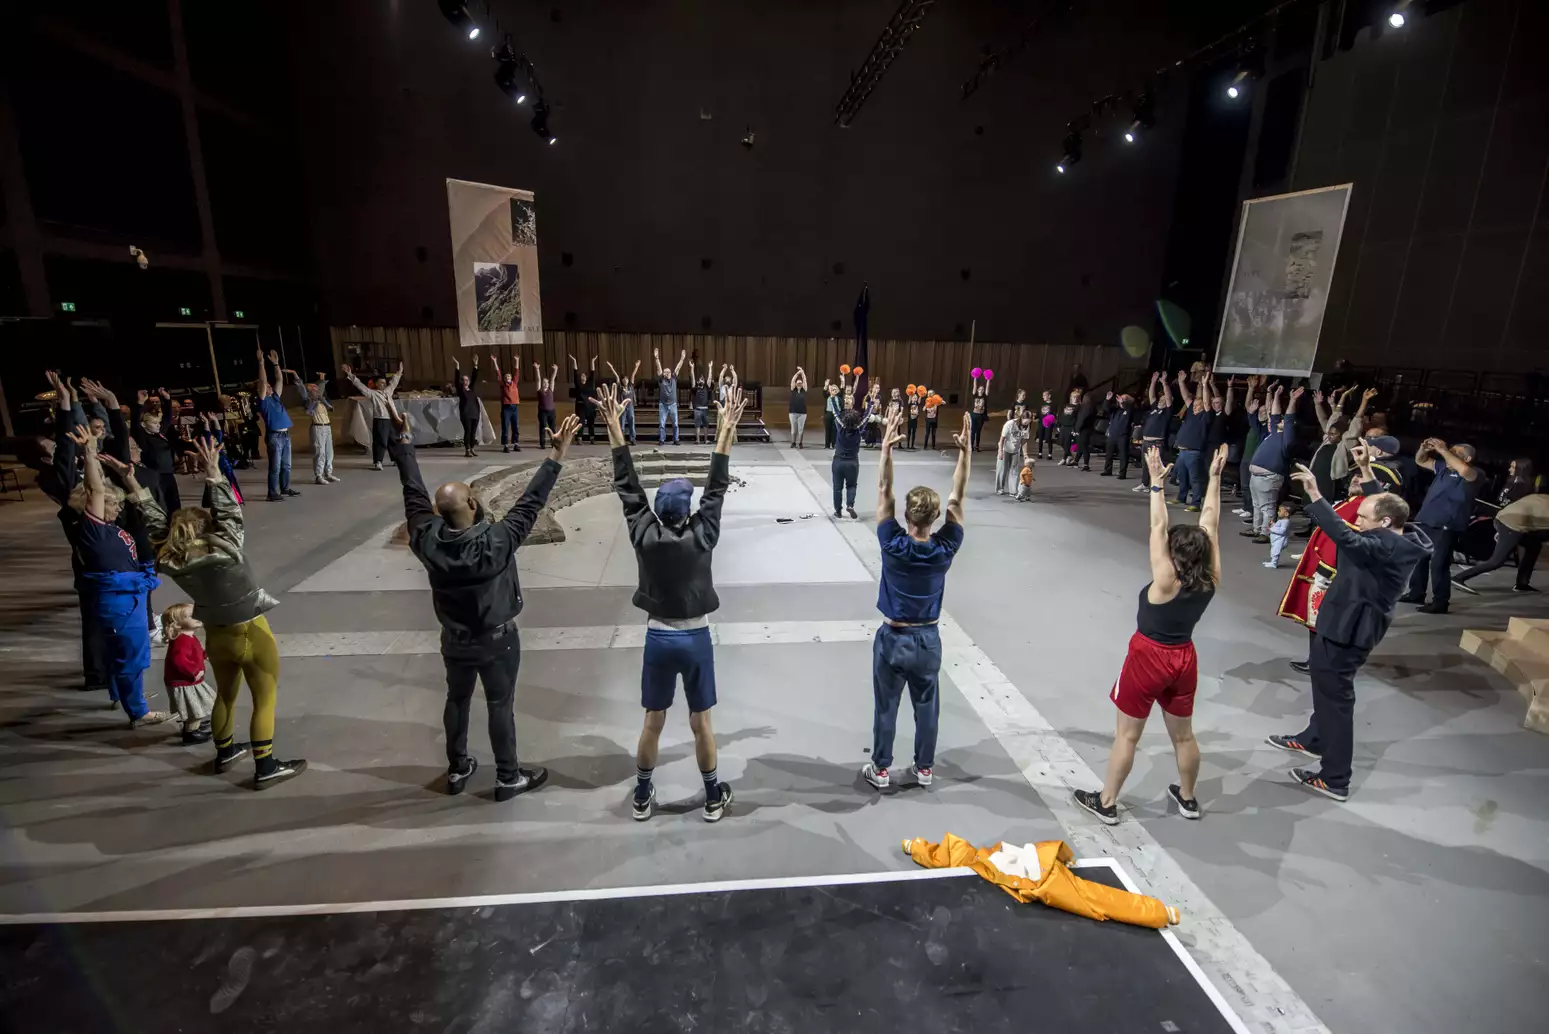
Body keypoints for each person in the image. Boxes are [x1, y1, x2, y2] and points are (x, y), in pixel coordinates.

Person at [388, 397, 579, 800]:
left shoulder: (426, 538)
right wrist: (556, 454)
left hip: (454, 640)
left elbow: (413, 495)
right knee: (499, 704)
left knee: (456, 699)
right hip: (497, 639)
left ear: (440, 514)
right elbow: (530, 503)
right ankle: (507, 777)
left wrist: (404, 444)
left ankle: (458, 769)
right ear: (473, 504)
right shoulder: (496, 541)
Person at [594, 382, 746, 822]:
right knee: (702, 723)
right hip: (696, 638)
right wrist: (724, 430)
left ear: (659, 509)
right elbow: (717, 489)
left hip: (658, 639)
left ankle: (642, 796)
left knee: (652, 722)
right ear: (688, 510)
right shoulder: (703, 534)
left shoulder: (644, 531)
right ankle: (713, 796)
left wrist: (614, 428)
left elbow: (627, 486)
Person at [132, 435, 307, 787]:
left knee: (226, 694)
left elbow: (155, 529)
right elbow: (230, 514)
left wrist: (136, 488)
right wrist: (214, 474)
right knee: (265, 698)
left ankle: (225, 751)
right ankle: (266, 766)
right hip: (250, 630)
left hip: (216, 635)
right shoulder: (226, 552)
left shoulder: (172, 558)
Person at [1073, 444, 1228, 825]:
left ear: (1174, 552)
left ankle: (1107, 802)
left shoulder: (1165, 580)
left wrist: (1157, 485)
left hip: (1148, 656)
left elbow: (1158, 527)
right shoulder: (1210, 578)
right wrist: (1215, 477)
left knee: (1127, 736)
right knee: (1184, 736)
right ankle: (1188, 799)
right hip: (1183, 658)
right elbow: (1211, 521)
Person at [1268, 461, 1430, 802]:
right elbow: (1374, 511)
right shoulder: (1394, 535)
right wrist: (1368, 474)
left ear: (1384, 523)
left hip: (1347, 632)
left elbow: (1341, 533)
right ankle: (1315, 740)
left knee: (1336, 703)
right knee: (1328, 695)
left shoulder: (1380, 546)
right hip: (1343, 626)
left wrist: (1313, 493)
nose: (1356, 519)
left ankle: (1335, 778)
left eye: (1363, 517)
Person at [863, 409, 969, 790]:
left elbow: (882, 492)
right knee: (927, 707)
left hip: (893, 638)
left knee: (886, 706)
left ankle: (881, 769)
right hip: (928, 639)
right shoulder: (945, 548)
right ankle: (924, 769)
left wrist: (886, 451)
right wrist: (965, 454)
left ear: (906, 515)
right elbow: (958, 499)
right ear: (934, 517)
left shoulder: (892, 544)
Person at [1279, 446, 1404, 673]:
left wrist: (1326, 570)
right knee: (1316, 621)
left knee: (1326, 623)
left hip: (1334, 575)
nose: (1355, 478)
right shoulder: (1354, 502)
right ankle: (1317, 660)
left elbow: (1344, 538)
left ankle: (1322, 663)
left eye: (1361, 475)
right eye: (1355, 474)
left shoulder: (1367, 510)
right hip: (1323, 570)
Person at [1400, 437, 1481, 614]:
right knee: (1420, 558)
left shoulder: (1474, 474)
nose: (1449, 455)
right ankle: (1416, 592)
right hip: (1427, 519)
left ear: (1467, 458)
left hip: (1448, 524)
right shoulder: (1444, 468)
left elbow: (1465, 471)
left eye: (1455, 454)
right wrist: (1423, 448)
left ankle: (1440, 601)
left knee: (1438, 564)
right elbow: (1420, 460)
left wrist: (1444, 450)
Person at [1453, 486, 1547, 594]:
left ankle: (1522, 583)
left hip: (1509, 517)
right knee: (1496, 561)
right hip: (1511, 523)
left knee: (1534, 545)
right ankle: (1458, 578)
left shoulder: (1544, 498)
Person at [1243, 384, 1302, 542]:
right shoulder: (1274, 433)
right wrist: (1276, 395)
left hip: (1269, 476)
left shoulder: (1287, 438)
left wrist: (1292, 400)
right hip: (1257, 475)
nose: (1277, 421)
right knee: (1257, 505)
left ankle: (1266, 532)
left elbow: (1288, 418)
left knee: (1267, 507)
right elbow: (1274, 414)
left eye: (1281, 421)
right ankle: (1257, 529)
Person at [162, 602, 216, 745]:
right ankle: (191, 733)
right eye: (192, 616)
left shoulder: (188, 636)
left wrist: (204, 655)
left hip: (187, 681)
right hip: (185, 682)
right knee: (194, 708)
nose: (197, 617)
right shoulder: (182, 641)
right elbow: (178, 660)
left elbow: (195, 651)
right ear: (178, 624)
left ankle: (192, 727)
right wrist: (193, 672)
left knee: (193, 706)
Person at [252, 349, 298, 501]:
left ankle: (284, 488)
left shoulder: (276, 398)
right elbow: (263, 383)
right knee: (275, 467)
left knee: (286, 466)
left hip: (285, 435)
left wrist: (276, 364)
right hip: (275, 436)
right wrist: (261, 364)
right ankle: (272, 493)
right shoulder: (263, 401)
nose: (270, 386)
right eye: (267, 387)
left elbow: (279, 380)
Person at [130, 386, 182, 513]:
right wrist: (140, 403)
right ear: (144, 424)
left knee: (174, 504)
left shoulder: (160, 434)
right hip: (155, 475)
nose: (158, 426)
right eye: (154, 423)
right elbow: (135, 424)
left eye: (158, 423)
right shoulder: (143, 438)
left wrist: (167, 398)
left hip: (168, 474)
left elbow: (167, 419)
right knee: (162, 505)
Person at [343, 361, 403, 470]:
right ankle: (378, 461)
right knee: (380, 441)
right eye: (380, 383)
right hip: (380, 420)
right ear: (376, 384)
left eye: (384, 383)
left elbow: (394, 383)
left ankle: (395, 459)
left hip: (389, 419)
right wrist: (350, 375)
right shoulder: (373, 394)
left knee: (392, 439)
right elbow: (360, 386)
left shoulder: (388, 392)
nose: (383, 385)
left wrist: (399, 372)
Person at [289, 370, 338, 485]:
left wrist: (322, 378)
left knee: (329, 452)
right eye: (314, 389)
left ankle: (328, 473)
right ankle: (319, 475)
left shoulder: (322, 401)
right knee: (320, 452)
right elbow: (301, 388)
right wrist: (295, 374)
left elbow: (322, 388)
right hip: (318, 428)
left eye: (317, 389)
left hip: (327, 427)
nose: (317, 390)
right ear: (309, 391)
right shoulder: (308, 401)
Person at [1172, 370, 1211, 510]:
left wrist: (1205, 385)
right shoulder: (1190, 413)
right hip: (1182, 450)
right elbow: (1186, 397)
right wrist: (1181, 382)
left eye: (1197, 406)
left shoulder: (1205, 416)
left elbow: (1206, 401)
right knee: (1182, 476)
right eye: (1194, 405)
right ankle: (1181, 498)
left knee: (1195, 478)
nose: (1194, 407)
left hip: (1194, 452)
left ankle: (1195, 502)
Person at [1133, 372, 1173, 493]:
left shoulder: (1167, 412)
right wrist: (1153, 382)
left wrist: (1164, 383)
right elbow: (1152, 396)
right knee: (1145, 465)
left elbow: (1169, 397)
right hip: (1146, 442)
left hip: (1156, 442)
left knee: (1156, 466)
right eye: (1161, 398)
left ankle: (1156, 487)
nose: (1161, 399)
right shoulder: (1155, 409)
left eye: (1164, 398)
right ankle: (1145, 484)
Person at [832, 398, 870, 519]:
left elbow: (835, 412)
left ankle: (838, 511)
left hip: (838, 461)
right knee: (852, 485)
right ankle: (850, 505)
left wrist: (833, 398)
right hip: (853, 462)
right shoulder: (858, 430)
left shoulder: (841, 428)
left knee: (837, 487)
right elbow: (867, 417)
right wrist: (871, 404)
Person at [995, 410, 1033, 495]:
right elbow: (1002, 439)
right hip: (1005, 449)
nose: (1027, 422)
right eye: (1026, 420)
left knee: (1014, 470)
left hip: (1015, 450)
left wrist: (1025, 455)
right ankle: (1000, 488)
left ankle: (1013, 491)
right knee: (1002, 469)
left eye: (1029, 421)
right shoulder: (1010, 424)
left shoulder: (1027, 427)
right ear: (1022, 418)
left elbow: (1024, 441)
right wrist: (1000, 451)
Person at [452, 354, 483, 457]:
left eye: (467, 380)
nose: (465, 381)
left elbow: (475, 377)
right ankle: (467, 449)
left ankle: (473, 448)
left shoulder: (472, 389)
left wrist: (475, 364)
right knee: (468, 431)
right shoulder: (461, 391)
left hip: (474, 413)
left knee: (473, 432)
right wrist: (457, 366)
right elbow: (456, 381)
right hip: (466, 414)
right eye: (464, 380)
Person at [492, 352, 522, 453]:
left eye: (509, 376)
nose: (508, 378)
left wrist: (517, 361)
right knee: (505, 426)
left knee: (515, 426)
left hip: (514, 407)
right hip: (506, 408)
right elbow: (498, 373)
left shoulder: (514, 383)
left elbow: (517, 372)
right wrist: (495, 362)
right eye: (506, 377)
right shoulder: (503, 385)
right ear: (504, 379)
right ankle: (505, 445)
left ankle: (516, 444)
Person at [1100, 391, 1134, 479]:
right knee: (1109, 454)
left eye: (1123, 399)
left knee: (1123, 454)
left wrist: (1123, 402)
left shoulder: (1130, 410)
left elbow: (1130, 412)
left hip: (1123, 435)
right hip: (1113, 434)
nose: (1120, 400)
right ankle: (1107, 470)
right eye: (1120, 399)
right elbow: (1106, 408)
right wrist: (1107, 399)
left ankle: (1122, 473)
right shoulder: (1116, 410)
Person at [656, 347, 686, 445]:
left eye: (668, 372)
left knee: (675, 424)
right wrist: (657, 358)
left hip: (673, 404)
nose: (667, 373)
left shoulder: (674, 378)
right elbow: (659, 368)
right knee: (662, 424)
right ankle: (662, 440)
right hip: (663, 405)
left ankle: (676, 439)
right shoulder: (661, 380)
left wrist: (682, 359)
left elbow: (678, 368)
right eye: (665, 372)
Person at [606, 360, 640, 445]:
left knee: (632, 423)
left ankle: (632, 439)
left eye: (626, 379)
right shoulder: (620, 387)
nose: (625, 380)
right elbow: (616, 376)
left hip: (630, 407)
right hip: (622, 408)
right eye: (624, 379)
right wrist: (611, 368)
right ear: (622, 380)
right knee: (621, 424)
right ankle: (621, 440)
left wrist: (636, 367)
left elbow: (633, 375)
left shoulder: (630, 386)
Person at [568, 354, 599, 444]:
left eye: (584, 376)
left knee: (591, 423)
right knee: (581, 422)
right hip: (581, 406)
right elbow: (575, 372)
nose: (583, 377)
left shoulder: (589, 383)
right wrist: (574, 361)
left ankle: (592, 438)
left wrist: (592, 361)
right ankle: (579, 438)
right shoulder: (578, 384)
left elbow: (592, 372)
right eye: (581, 376)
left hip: (590, 406)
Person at [532, 360, 558, 448]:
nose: (546, 384)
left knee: (552, 428)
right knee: (543, 427)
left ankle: (554, 442)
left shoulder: (551, 389)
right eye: (544, 382)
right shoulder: (539, 390)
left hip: (551, 411)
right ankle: (542, 443)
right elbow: (538, 379)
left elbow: (552, 379)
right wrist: (537, 369)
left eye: (546, 382)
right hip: (542, 412)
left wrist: (555, 370)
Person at [689, 361, 713, 445]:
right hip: (697, 409)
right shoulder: (695, 388)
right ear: (698, 381)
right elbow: (692, 378)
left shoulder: (706, 387)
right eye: (700, 379)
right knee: (697, 425)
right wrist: (692, 368)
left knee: (706, 425)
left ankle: (706, 440)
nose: (702, 380)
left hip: (705, 409)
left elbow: (710, 378)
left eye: (703, 379)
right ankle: (698, 440)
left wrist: (710, 367)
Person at [1056, 389, 1080, 465]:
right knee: (1061, 442)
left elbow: (1078, 419)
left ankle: (1064, 458)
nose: (1075, 399)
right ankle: (1069, 455)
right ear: (1071, 398)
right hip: (1063, 426)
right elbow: (1062, 415)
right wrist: (1058, 424)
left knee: (1067, 443)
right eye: (1074, 397)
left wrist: (1075, 429)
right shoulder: (1067, 405)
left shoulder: (1079, 407)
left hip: (1070, 427)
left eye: (1077, 397)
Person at [968, 370, 989, 452]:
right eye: (980, 389)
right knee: (973, 430)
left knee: (978, 431)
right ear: (977, 390)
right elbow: (974, 386)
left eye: (982, 389)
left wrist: (988, 379)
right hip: (974, 415)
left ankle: (977, 446)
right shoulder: (974, 395)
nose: (981, 390)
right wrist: (975, 378)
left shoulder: (985, 397)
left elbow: (987, 388)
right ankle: (971, 446)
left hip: (981, 416)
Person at [788, 367, 809, 448]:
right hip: (792, 412)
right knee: (793, 429)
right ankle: (793, 442)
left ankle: (800, 443)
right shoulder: (793, 389)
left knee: (801, 429)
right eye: (798, 383)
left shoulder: (804, 390)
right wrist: (797, 374)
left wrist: (802, 372)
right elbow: (792, 380)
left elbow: (805, 380)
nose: (799, 384)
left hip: (802, 413)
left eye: (800, 383)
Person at [1033, 390, 1055, 459]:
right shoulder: (1041, 404)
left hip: (1049, 424)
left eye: (1045, 395)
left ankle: (1050, 454)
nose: (1043, 397)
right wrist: (1035, 416)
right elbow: (1038, 413)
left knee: (1048, 438)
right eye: (1043, 395)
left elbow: (1054, 415)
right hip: (1041, 423)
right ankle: (1040, 453)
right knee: (1040, 438)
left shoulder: (1053, 404)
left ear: (1049, 396)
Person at [823, 380, 841, 449]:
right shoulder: (827, 396)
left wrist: (842, 380)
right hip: (828, 413)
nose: (834, 391)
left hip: (836, 414)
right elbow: (824, 392)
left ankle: (834, 444)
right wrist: (826, 385)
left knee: (834, 430)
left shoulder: (839, 397)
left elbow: (841, 406)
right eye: (833, 389)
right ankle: (827, 445)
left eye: (835, 389)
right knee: (828, 429)